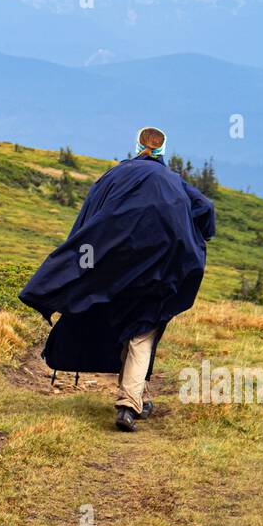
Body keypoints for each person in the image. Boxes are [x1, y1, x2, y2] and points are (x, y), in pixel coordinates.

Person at [19, 127, 215, 432]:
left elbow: (89, 218)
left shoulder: (114, 176)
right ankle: (129, 402)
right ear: (164, 151)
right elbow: (206, 208)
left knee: (127, 325)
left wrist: (76, 265)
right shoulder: (174, 182)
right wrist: (195, 235)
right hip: (161, 269)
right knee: (143, 330)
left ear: (137, 147)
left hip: (116, 268)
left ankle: (134, 396)